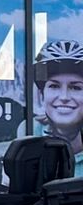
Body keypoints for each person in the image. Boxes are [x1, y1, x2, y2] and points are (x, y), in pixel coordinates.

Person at [34, 39, 83, 177]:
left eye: (76, 87)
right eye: (54, 86)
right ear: (41, 95)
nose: (64, 97)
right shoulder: (27, 134)